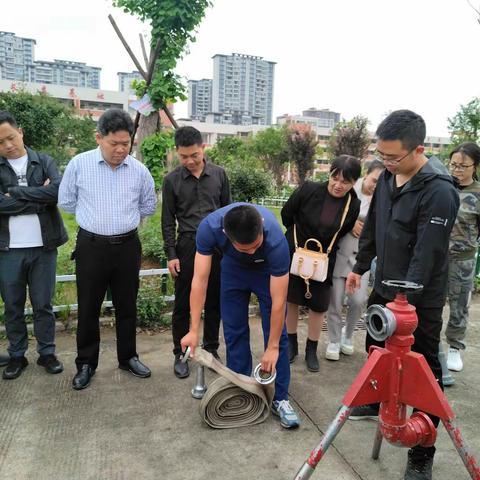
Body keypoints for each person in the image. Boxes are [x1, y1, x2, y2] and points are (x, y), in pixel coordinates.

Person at [346, 110, 459, 480]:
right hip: (385, 287)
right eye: (382, 156)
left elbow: (427, 253)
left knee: (424, 370)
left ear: (418, 149)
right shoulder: (387, 179)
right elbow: (374, 229)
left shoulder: (439, 190)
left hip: (419, 299)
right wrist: (360, 267)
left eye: (394, 157)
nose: (387, 164)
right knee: (376, 350)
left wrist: (404, 304)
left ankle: (423, 451)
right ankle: (378, 401)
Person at [58, 108, 157, 390]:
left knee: (127, 305)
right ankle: (86, 363)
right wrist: (96, 217)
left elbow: (148, 205)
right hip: (92, 247)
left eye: (126, 144)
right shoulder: (79, 164)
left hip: (127, 247)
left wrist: (121, 220)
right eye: (114, 143)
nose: (120, 149)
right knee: (89, 307)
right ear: (98, 137)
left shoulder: (139, 170)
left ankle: (128, 357)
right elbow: (66, 201)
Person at [181, 203, 300, 429]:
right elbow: (199, 281)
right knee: (234, 328)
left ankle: (280, 397)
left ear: (261, 227)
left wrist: (272, 347)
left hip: (267, 271)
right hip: (233, 269)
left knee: (276, 335)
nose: (252, 251)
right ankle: (240, 387)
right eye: (246, 249)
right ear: (225, 234)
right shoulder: (209, 228)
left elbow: (278, 302)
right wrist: (193, 330)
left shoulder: (275, 241)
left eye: (256, 246)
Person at [0, 111, 67, 380]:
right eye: (0, 142)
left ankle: (47, 353)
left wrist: (14, 194)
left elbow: (58, 192)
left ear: (21, 132)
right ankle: (17, 356)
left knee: (43, 305)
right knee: (13, 306)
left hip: (43, 247)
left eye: (10, 138)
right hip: (7, 250)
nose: (7, 145)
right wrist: (39, 196)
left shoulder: (44, 161)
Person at [162, 126, 230, 379]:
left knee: (214, 300)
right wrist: (171, 254)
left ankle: (211, 349)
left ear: (203, 148)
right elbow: (167, 221)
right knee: (183, 302)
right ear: (177, 153)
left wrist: (230, 248)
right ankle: (181, 353)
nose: (189, 161)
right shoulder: (172, 181)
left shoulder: (220, 175)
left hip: (217, 246)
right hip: (188, 245)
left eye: (194, 155)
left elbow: (228, 212)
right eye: (183, 156)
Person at [281, 155, 361, 371]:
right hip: (297, 252)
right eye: (335, 178)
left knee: (319, 305)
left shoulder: (352, 203)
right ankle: (291, 344)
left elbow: (343, 230)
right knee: (292, 299)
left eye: (345, 181)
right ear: (330, 174)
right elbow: (286, 214)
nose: (338, 185)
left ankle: (311, 349)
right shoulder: (309, 189)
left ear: (354, 183)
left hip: (324, 259)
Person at [326, 160, 384, 358]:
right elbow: (332, 213)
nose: (376, 185)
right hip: (340, 253)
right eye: (374, 180)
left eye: (381, 181)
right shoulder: (349, 191)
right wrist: (350, 224)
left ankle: (348, 335)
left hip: (362, 259)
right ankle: (333, 340)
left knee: (358, 300)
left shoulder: (383, 196)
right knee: (335, 300)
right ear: (365, 175)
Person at [445, 142, 480, 372]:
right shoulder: (443, 187)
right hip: (435, 256)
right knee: (428, 303)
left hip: (462, 259)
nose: (456, 170)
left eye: (462, 166)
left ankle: (454, 347)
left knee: (458, 306)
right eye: (453, 164)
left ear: (475, 166)